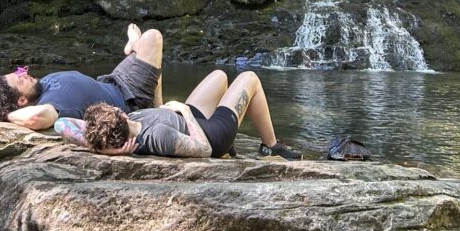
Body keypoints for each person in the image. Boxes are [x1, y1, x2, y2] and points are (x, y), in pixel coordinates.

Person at [0, 24, 162, 130]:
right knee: (153, 37)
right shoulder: (49, 107)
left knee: (150, 54)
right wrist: (7, 116)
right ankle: (156, 106)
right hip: (131, 98)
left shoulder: (33, 91)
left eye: (19, 72)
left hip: (113, 80)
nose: (24, 73)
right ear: (22, 100)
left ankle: (134, 48)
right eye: (20, 79)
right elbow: (34, 118)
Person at [83, 69, 302, 160]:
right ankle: (270, 146)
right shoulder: (158, 135)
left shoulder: (129, 125)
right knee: (250, 77)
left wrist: (109, 151)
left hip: (189, 121)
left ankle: (234, 144)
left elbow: (65, 125)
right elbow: (204, 150)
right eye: (115, 111)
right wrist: (185, 111)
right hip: (212, 136)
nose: (118, 108)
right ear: (119, 117)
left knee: (219, 76)